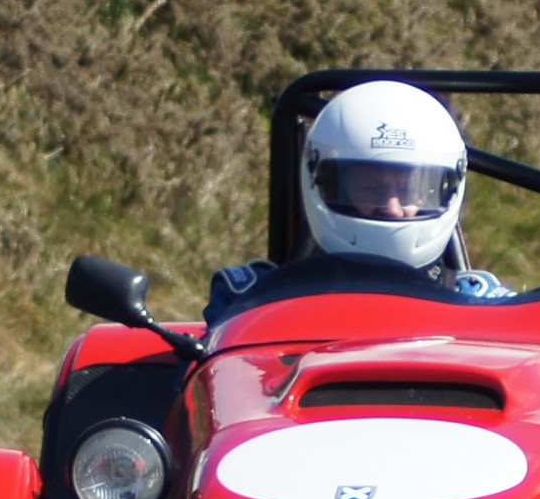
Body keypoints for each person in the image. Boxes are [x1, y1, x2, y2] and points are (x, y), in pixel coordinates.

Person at [206, 79, 518, 320]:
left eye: (411, 190)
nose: (393, 209)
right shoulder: (245, 298)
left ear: (448, 188)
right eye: (370, 188)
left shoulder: (487, 305)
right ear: (321, 181)